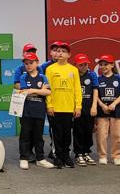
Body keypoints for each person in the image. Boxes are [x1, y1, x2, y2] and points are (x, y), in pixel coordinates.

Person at [45, 41, 81, 169]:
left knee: (67, 134)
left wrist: (78, 106)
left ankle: (66, 156)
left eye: (63, 51)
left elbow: (77, 89)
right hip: (55, 108)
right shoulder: (50, 69)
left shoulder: (73, 70)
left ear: (69, 55)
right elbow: (48, 88)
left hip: (69, 108)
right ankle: (58, 156)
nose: (60, 53)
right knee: (57, 134)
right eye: (58, 51)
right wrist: (49, 105)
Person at [16, 53, 53, 169]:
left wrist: (32, 90)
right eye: (26, 63)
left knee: (38, 136)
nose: (28, 65)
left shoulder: (43, 77)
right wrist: (39, 90)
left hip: (39, 111)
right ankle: (23, 158)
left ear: (37, 63)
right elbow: (24, 92)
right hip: (26, 111)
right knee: (25, 135)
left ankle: (40, 158)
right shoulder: (23, 77)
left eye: (31, 63)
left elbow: (48, 92)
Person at [91, 55, 120, 165]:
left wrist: (114, 104)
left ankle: (117, 156)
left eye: (106, 64)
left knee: (117, 135)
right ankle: (102, 156)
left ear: (112, 65)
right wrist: (102, 105)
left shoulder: (118, 78)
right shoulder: (98, 79)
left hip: (116, 111)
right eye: (101, 65)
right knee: (101, 135)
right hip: (102, 111)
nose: (103, 67)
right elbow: (95, 95)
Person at [72, 53, 98, 166]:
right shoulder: (73, 74)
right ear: (76, 65)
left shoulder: (92, 74)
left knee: (88, 130)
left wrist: (94, 105)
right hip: (77, 107)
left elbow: (95, 90)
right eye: (81, 65)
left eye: (85, 64)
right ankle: (78, 153)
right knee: (78, 131)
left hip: (89, 106)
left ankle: (86, 152)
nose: (83, 67)